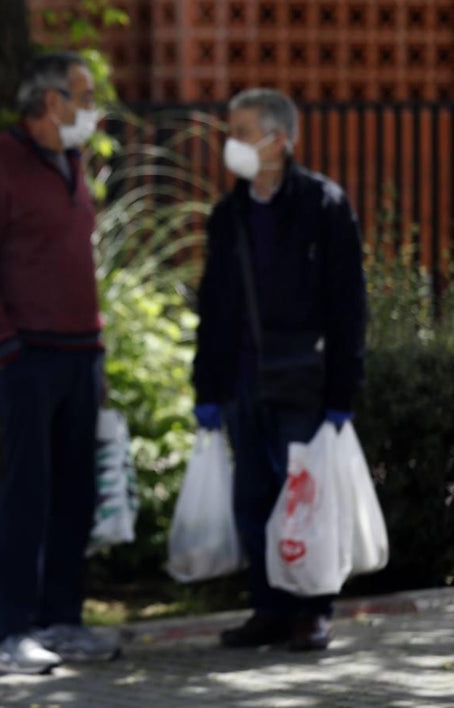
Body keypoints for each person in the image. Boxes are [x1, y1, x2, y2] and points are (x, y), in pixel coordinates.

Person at [0, 51, 120, 674]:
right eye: (83, 95)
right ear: (52, 102)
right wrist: (4, 347)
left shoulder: (71, 160)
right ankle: (4, 633)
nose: (91, 108)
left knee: (74, 495)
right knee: (27, 495)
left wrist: (98, 351)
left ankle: (62, 620)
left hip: (81, 356)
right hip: (28, 355)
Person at [192, 88, 367, 651]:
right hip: (244, 379)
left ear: (280, 140)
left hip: (305, 380)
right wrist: (208, 386)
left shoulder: (323, 205)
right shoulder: (230, 213)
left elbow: (349, 306)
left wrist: (343, 391)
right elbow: (214, 304)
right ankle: (269, 608)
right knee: (255, 499)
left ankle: (314, 608)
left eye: (242, 131)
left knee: (305, 497)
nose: (232, 144)